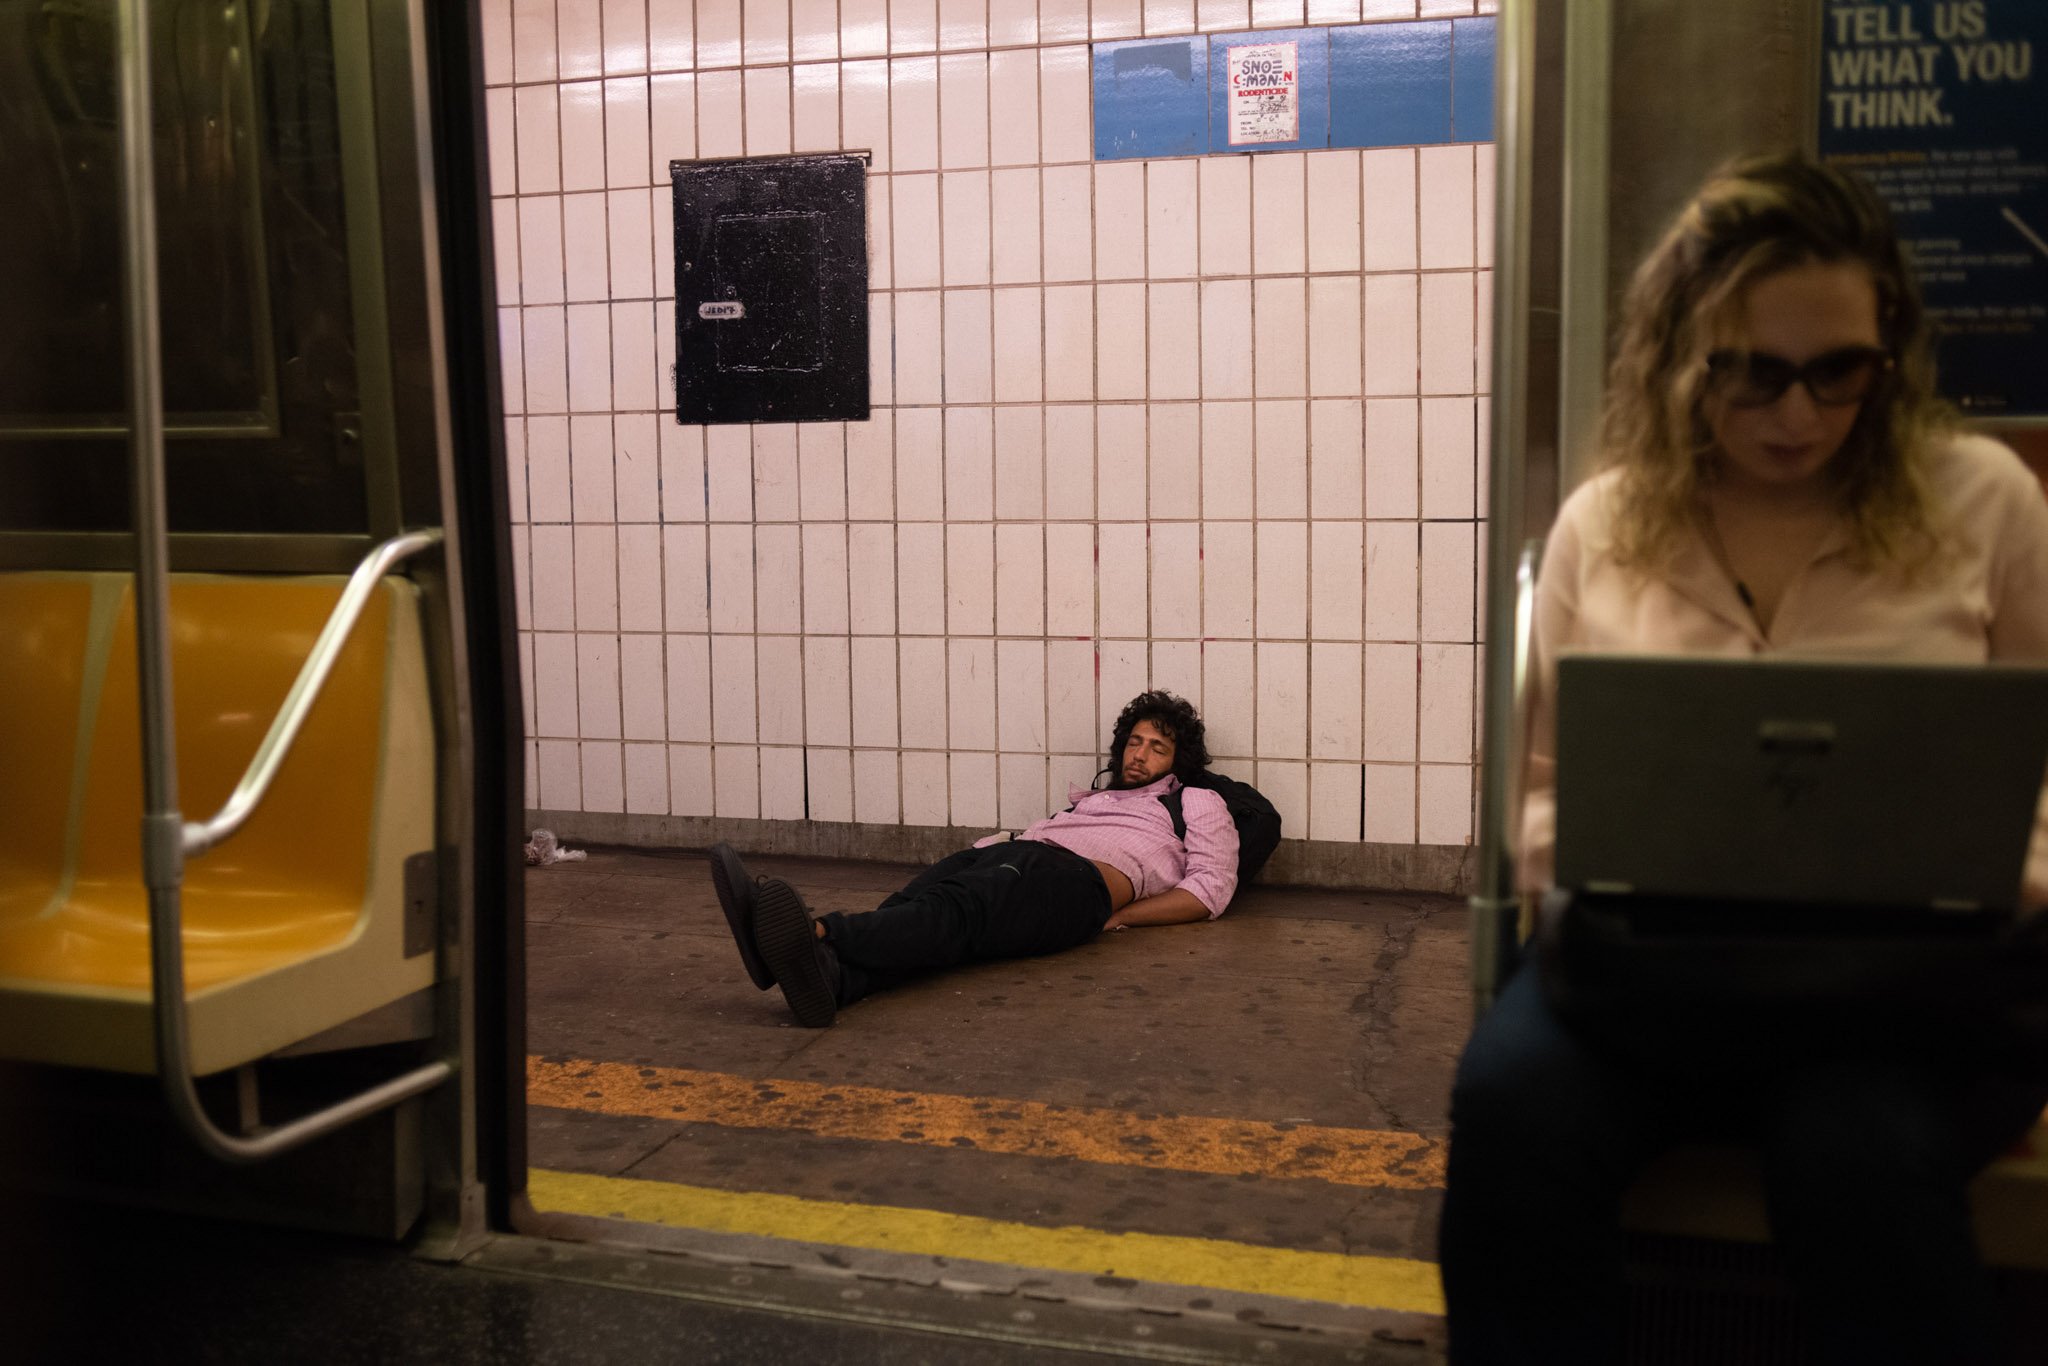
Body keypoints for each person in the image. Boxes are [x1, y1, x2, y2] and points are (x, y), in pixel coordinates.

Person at [1438, 151, 2048, 1365]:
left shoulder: (1978, 501)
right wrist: (1620, 852)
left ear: (1890, 353)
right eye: (1752, 374)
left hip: (1908, 989)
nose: (1799, 417)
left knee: (1856, 1158)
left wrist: (2003, 863)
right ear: (1679, 358)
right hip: (1653, 977)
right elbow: (1541, 786)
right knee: (1508, 1116)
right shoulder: (1604, 523)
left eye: (1839, 373)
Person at [710, 690, 1239, 1028]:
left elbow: (1211, 888)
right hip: (1013, 854)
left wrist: (1119, 914)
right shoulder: (1096, 798)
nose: (1139, 755)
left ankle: (816, 933)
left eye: (1156, 748)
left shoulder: (1194, 801)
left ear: (1179, 762)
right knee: (918, 908)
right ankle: (833, 982)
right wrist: (982, 851)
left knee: (955, 914)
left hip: (1075, 883)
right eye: (1134, 742)